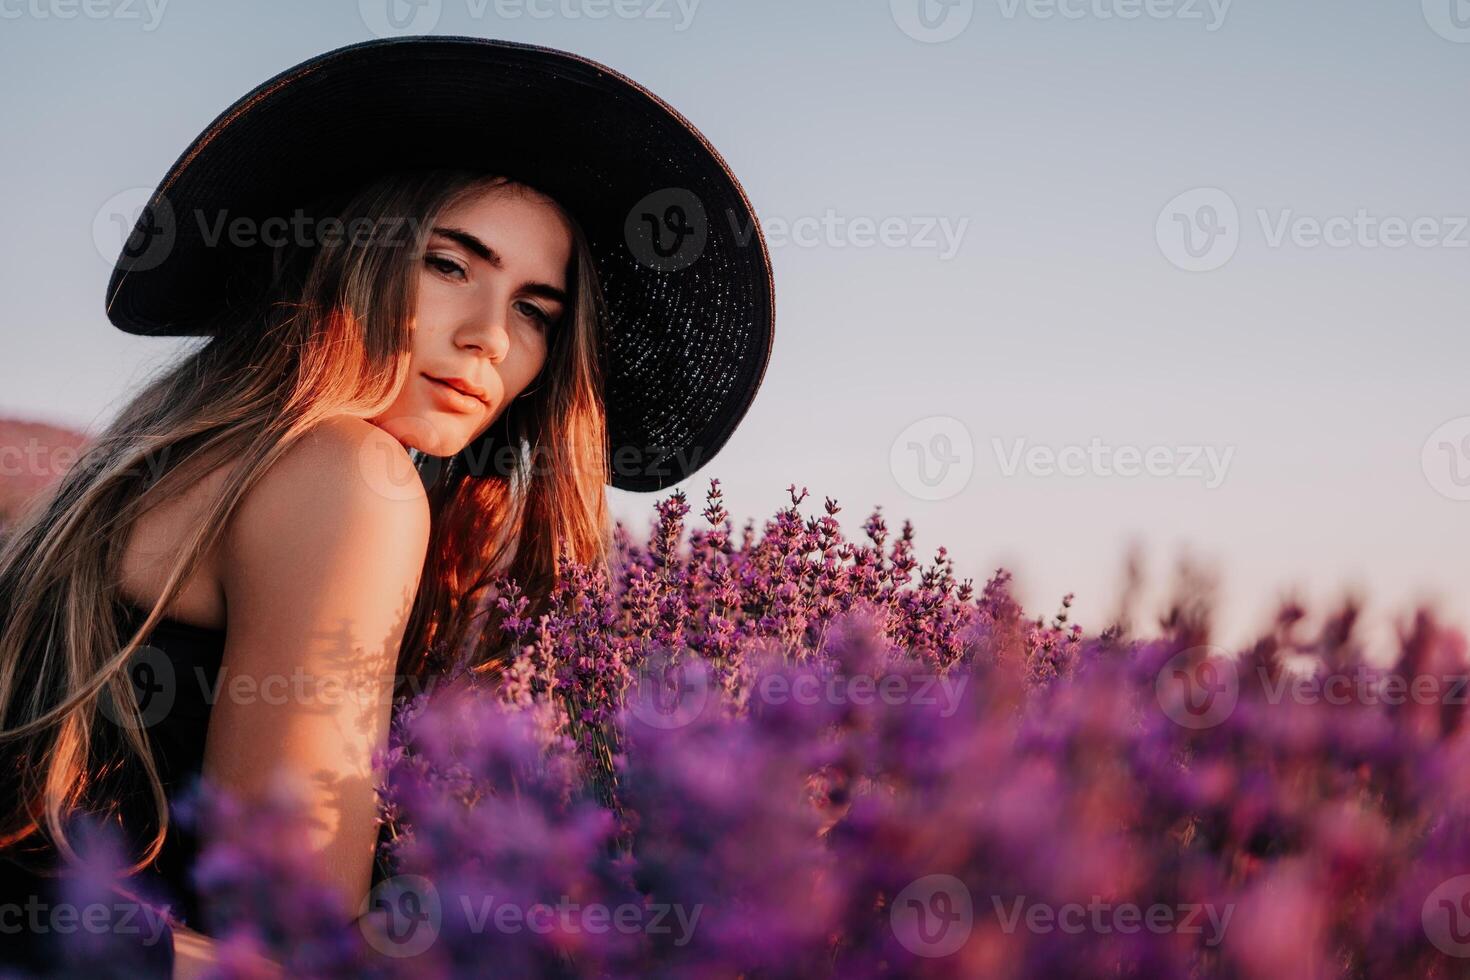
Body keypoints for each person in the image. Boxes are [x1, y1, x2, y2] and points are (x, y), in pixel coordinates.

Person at [0, 35, 773, 977]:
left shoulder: (179, 452)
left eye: (535, 309)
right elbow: (292, 926)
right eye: (451, 264)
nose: (490, 336)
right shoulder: (351, 477)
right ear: (348, 253)